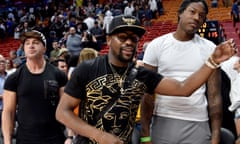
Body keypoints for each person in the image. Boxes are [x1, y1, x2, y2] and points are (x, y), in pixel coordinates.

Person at [55, 15, 236, 144]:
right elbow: (62, 112)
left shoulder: (141, 75)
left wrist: (212, 61)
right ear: (109, 40)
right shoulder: (88, 69)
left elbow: (183, 88)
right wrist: (99, 136)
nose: (129, 42)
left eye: (134, 39)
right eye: (122, 37)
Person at [141, 0, 229, 143]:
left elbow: (215, 97)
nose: (196, 18)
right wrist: (145, 135)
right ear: (180, 13)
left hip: (198, 121)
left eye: (201, 16)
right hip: (163, 119)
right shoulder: (157, 45)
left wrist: (215, 137)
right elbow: (147, 94)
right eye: (192, 12)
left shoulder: (210, 48)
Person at [2, 30, 68, 144]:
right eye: (27, 43)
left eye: (36, 42)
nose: (31, 46)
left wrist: (70, 136)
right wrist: (7, 141)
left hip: (55, 138)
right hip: (25, 139)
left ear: (44, 48)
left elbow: (67, 108)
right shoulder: (14, 78)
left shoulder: (59, 75)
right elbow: (8, 112)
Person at [221, 56, 240, 144]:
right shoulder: (237, 77)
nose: (234, 63)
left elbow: (238, 99)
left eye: (237, 62)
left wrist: (230, 109)